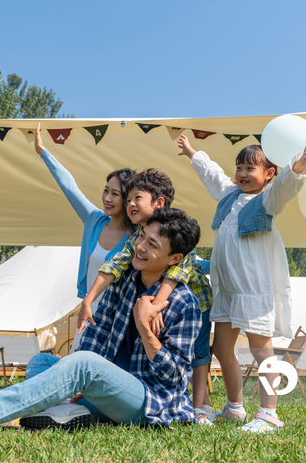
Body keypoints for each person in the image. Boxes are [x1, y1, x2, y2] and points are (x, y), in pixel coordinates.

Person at [0, 208, 202, 430]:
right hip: (109, 388)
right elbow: (98, 332)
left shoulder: (183, 302)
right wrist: (77, 377)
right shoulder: (126, 279)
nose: (140, 247)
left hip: (149, 402)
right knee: (44, 363)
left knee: (83, 365)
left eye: (152, 245)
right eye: (141, 237)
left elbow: (174, 377)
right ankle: (71, 408)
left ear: (174, 259)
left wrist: (145, 330)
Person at [176, 134, 306, 433]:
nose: (242, 174)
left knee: (261, 350)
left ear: (268, 174)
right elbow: (212, 174)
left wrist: (303, 161)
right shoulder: (230, 195)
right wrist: (192, 152)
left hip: (253, 288)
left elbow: (286, 185)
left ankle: (269, 412)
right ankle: (234, 408)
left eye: (250, 169)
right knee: (220, 348)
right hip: (227, 289)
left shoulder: (267, 200)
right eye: (240, 167)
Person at [79, 168, 215, 424]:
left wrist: (154, 306)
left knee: (198, 357)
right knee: (44, 363)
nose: (130, 204)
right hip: (154, 314)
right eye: (127, 199)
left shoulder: (177, 241)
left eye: (135, 198)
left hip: (194, 306)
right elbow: (113, 265)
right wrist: (88, 299)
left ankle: (199, 408)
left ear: (158, 203)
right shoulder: (136, 243)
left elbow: (174, 276)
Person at [29, 123, 136, 360]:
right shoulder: (94, 220)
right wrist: (43, 152)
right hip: (87, 311)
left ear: (128, 199)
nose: (107, 198)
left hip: (116, 318)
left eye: (115, 194)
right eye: (106, 190)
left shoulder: (136, 237)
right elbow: (70, 187)